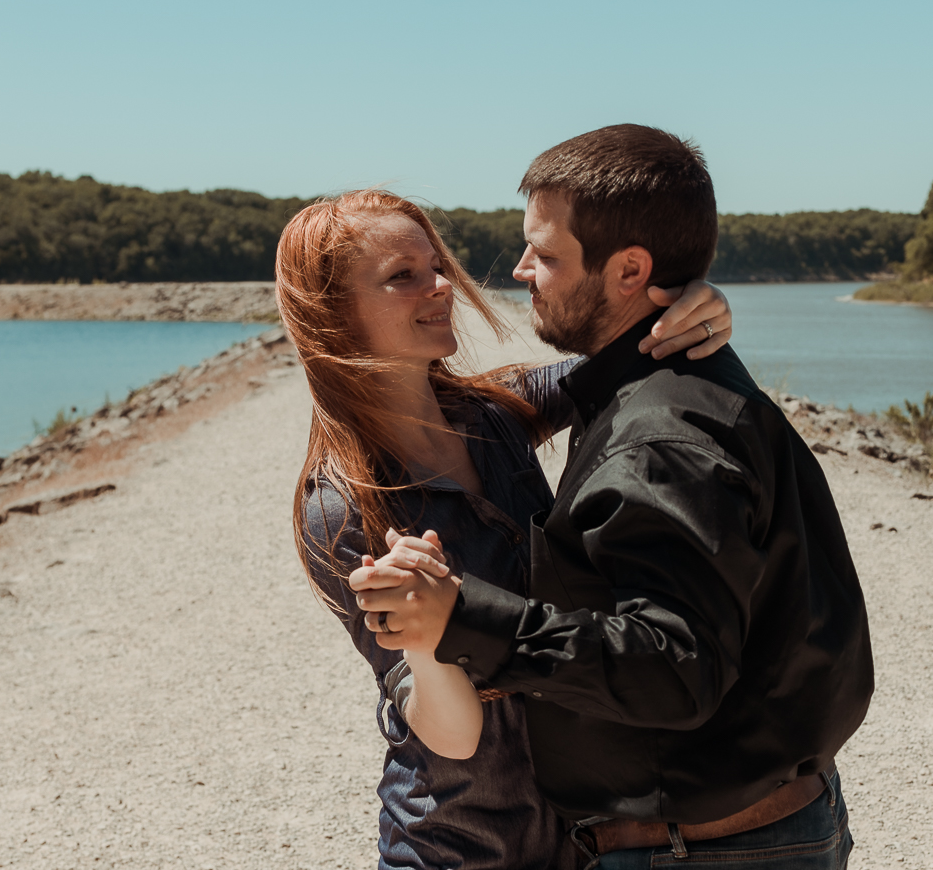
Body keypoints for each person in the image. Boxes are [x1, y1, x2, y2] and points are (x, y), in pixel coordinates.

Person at [352, 125, 875, 869]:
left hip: (703, 850)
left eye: (547, 253)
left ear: (629, 269)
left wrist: (463, 616)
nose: (522, 270)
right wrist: (698, 304)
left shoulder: (655, 434)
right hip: (744, 829)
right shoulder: (657, 384)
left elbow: (674, 667)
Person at [273, 189, 735, 870]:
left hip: (583, 834)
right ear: (332, 315)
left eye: (436, 266)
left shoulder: (495, 414)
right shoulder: (341, 510)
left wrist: (699, 305)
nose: (441, 287)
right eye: (404, 276)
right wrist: (432, 642)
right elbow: (449, 735)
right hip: (457, 846)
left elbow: (628, 352)